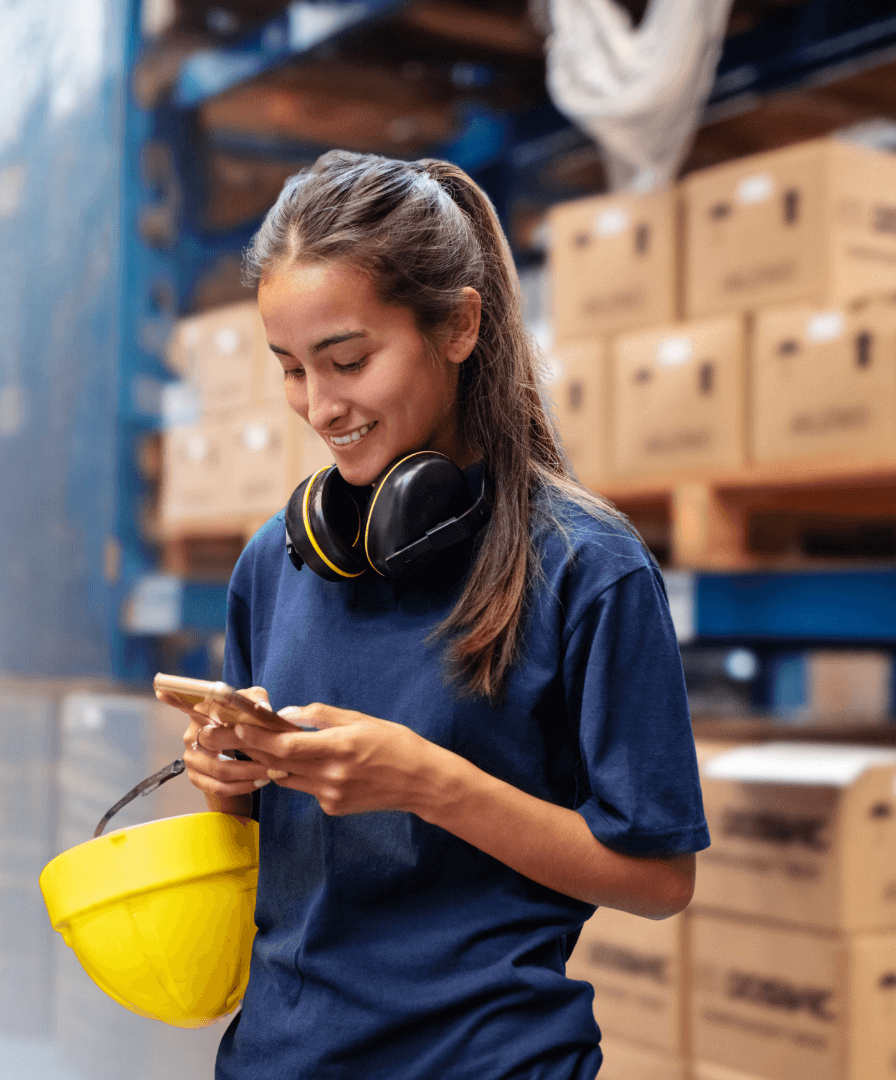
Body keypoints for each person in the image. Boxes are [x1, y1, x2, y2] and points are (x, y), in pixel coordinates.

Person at [156, 151, 708, 1079]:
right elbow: (268, 847)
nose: (320, 407)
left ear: (459, 324)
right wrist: (229, 779)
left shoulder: (587, 569)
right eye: (291, 370)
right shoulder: (276, 561)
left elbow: (658, 879)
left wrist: (428, 783)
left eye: (348, 361)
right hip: (280, 1057)